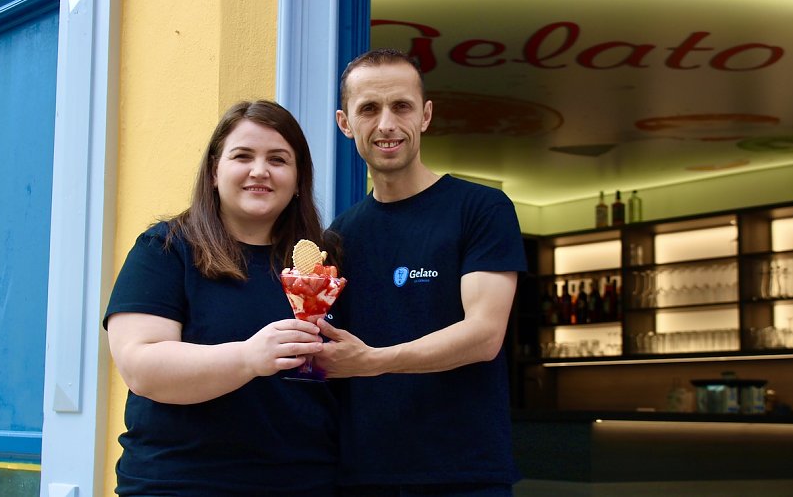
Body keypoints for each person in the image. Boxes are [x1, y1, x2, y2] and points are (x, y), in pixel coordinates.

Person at [316, 48, 527, 497]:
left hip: (463, 474)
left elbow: (485, 335)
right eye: (369, 109)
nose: (387, 124)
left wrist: (374, 361)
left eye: (402, 106)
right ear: (345, 123)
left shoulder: (480, 210)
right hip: (361, 475)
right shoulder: (338, 235)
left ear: (426, 115)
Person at [104, 100, 338, 496]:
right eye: (242, 156)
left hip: (306, 482)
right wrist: (249, 357)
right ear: (215, 171)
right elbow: (140, 366)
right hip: (182, 483)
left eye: (278, 159)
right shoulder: (166, 249)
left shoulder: (324, 265)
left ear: (299, 179)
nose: (259, 170)